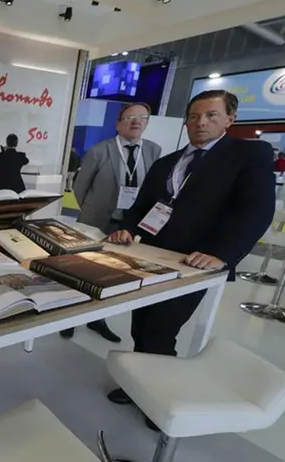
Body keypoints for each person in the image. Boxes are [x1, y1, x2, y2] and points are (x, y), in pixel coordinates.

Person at [106, 90, 275, 426]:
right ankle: (138, 381)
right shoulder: (167, 162)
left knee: (161, 329)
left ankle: (159, 397)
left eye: (211, 115)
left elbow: (256, 212)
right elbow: (142, 206)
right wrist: (125, 229)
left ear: (230, 118)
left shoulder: (249, 155)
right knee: (141, 323)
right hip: (151, 256)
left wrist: (222, 255)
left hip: (196, 263)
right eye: (195, 116)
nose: (201, 123)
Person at [62, 103, 162, 343]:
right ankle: (69, 318)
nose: (136, 122)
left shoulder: (153, 150)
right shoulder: (99, 150)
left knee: (113, 273)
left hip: (128, 226)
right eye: (129, 118)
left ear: (147, 122)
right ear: (118, 123)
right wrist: (93, 210)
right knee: (82, 270)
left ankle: (98, 319)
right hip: (96, 221)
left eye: (141, 117)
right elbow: (79, 188)